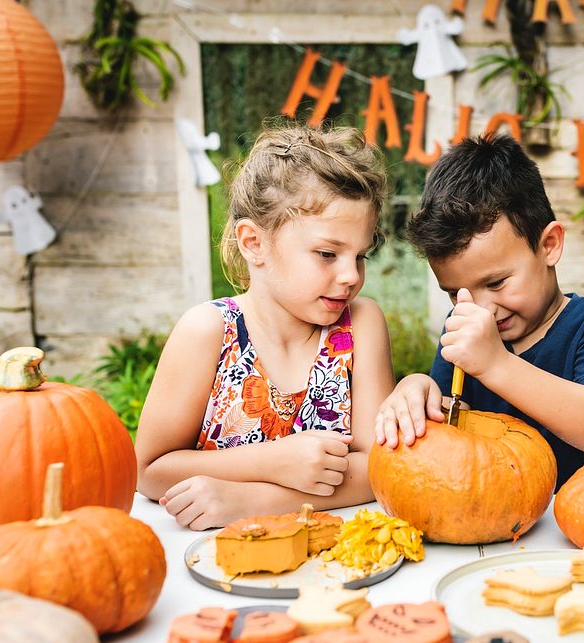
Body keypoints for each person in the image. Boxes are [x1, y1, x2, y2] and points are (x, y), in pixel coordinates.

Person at [136, 124, 395, 529]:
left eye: (361, 256)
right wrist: (274, 460)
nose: (350, 276)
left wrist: (253, 500)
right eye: (328, 253)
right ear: (253, 243)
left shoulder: (361, 326)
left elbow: (379, 468)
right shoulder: (207, 332)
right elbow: (149, 471)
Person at [373, 133, 584, 490]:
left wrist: (495, 364)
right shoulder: (463, 330)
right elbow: (450, 433)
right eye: (455, 293)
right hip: (490, 523)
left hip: (581, 523)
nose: (481, 308)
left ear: (549, 245)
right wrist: (418, 388)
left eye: (496, 283)